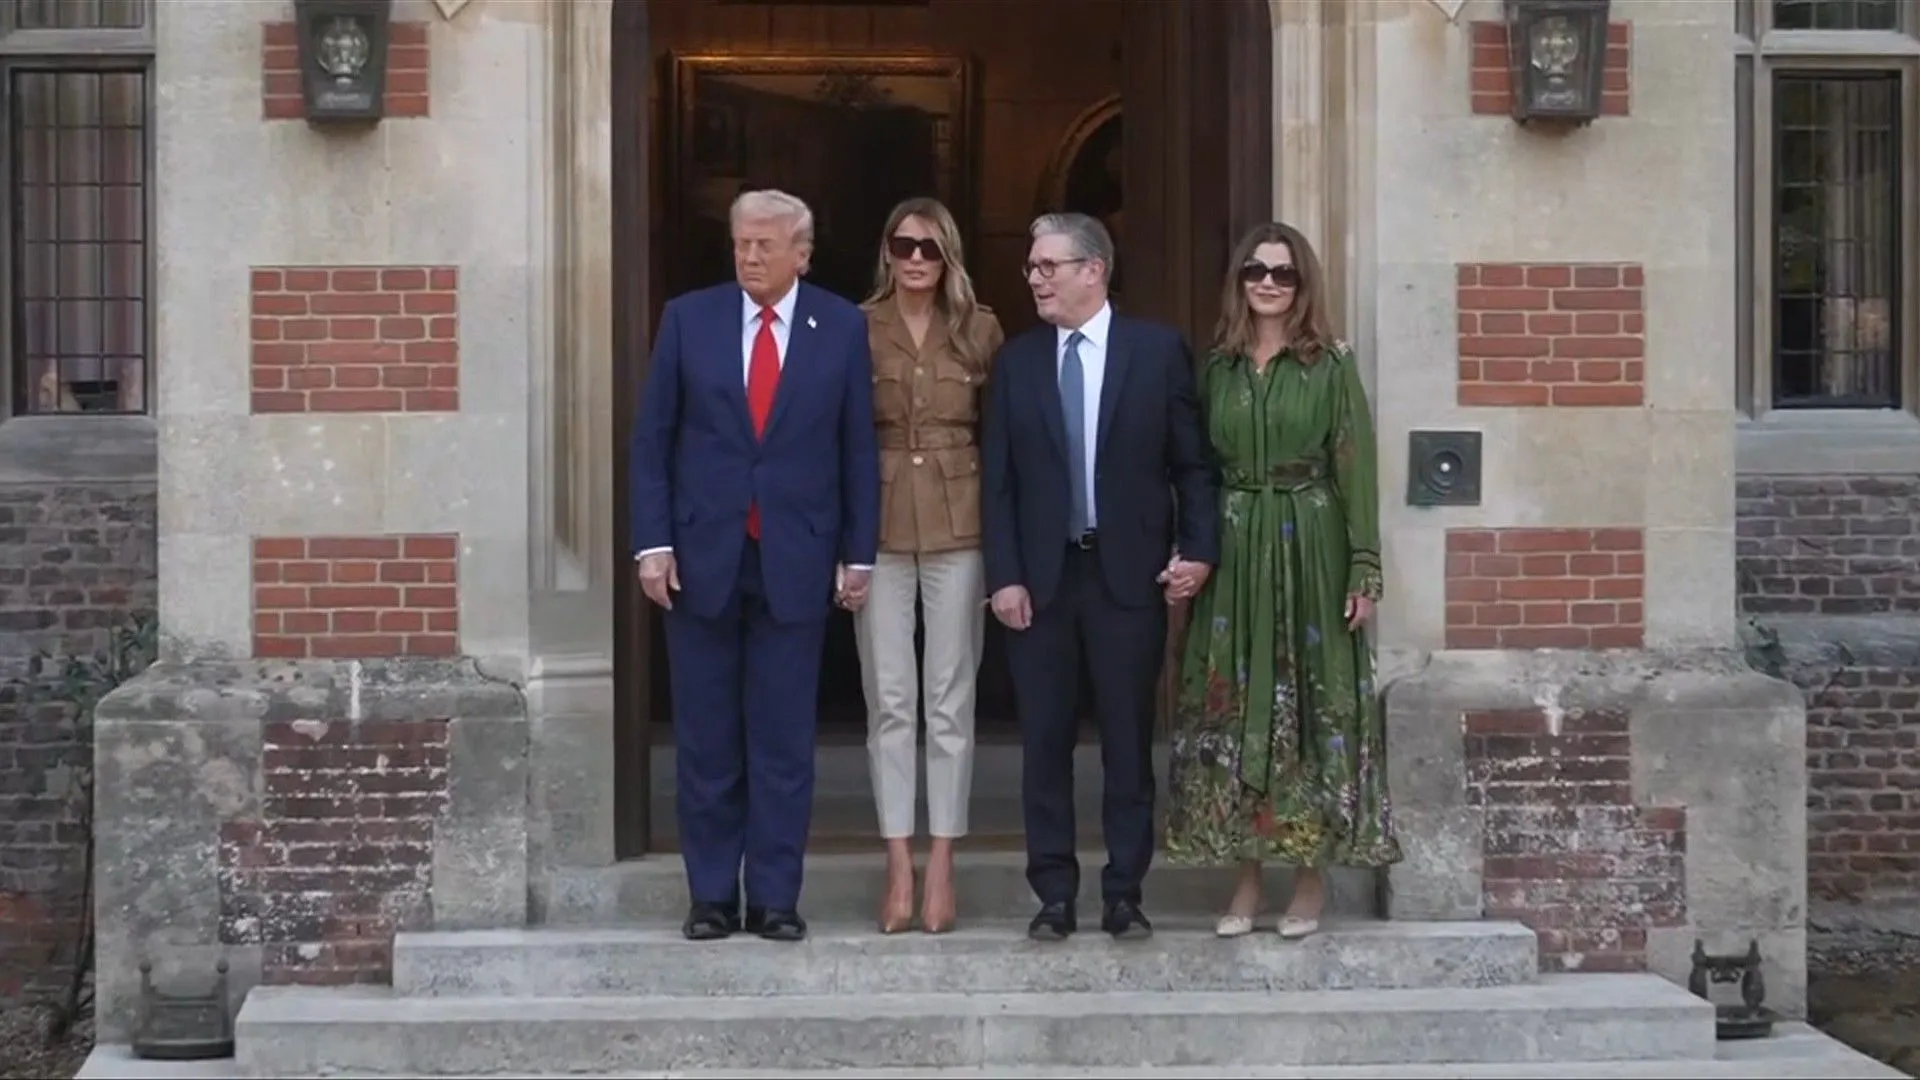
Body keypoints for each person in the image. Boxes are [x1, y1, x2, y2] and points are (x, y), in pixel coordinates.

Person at [630, 189, 881, 944]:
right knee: (707, 741)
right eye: (741, 244)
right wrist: (652, 543)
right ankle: (711, 895)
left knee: (782, 743)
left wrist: (858, 553)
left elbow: (856, 447)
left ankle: (774, 897)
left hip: (796, 557)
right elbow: (653, 440)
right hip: (702, 556)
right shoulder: (689, 319)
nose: (748, 257)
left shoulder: (840, 325)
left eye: (764, 246)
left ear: (802, 253)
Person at [980, 212, 1219, 942]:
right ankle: (1053, 893)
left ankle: (1124, 893)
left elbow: (1192, 465)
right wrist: (1004, 576)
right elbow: (999, 483)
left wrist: (1197, 549)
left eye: (1048, 266)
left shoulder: (1156, 351)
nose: (1035, 279)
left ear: (1094, 270)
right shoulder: (1018, 362)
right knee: (1044, 745)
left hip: (1127, 579)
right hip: (1042, 582)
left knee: (1127, 742)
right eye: (1031, 267)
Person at [1161, 221, 1402, 940]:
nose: (1268, 283)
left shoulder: (1330, 366)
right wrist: (1189, 547)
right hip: (1235, 551)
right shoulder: (1219, 368)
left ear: (1303, 286)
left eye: (1284, 273)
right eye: (1256, 271)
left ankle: (1308, 878)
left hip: (1311, 550)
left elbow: (1355, 465)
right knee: (1236, 709)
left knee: (1307, 709)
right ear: (1239, 281)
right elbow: (1196, 470)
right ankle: (1244, 877)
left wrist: (1364, 566)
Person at [854, 197, 1005, 935]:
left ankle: (942, 860)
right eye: (904, 244)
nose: (916, 259)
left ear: (949, 257)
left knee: (949, 700)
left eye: (930, 248)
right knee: (889, 700)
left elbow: (1002, 437)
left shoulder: (981, 329)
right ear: (886, 251)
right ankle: (898, 863)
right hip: (879, 527)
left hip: (960, 524)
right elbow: (841, 435)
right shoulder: (856, 326)